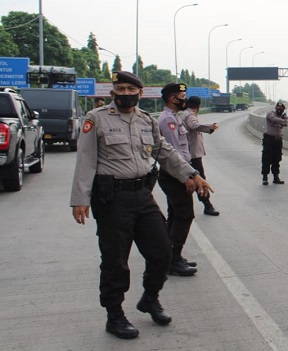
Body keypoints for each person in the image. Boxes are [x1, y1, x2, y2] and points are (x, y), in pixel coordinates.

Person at [70, 71, 214, 340]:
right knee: (115, 261)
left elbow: (164, 152)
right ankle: (115, 315)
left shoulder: (146, 120)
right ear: (113, 92)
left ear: (139, 92)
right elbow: (86, 159)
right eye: (120, 89)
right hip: (112, 199)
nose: (125, 93)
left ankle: (150, 298)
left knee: (162, 252)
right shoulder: (96, 119)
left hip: (143, 195)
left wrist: (191, 174)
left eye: (130, 89)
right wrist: (80, 199)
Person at [157, 83, 202, 277]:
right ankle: (172, 260)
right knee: (184, 215)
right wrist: (187, 177)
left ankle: (170, 257)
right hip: (175, 174)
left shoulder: (174, 117)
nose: (185, 99)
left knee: (175, 215)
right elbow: (174, 152)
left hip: (177, 173)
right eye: (182, 96)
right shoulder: (168, 120)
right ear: (172, 99)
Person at [179, 96, 220, 216]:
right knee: (200, 180)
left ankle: (205, 205)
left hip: (188, 153)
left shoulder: (183, 114)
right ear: (198, 106)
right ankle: (207, 205)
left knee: (189, 180)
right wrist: (209, 127)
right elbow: (194, 125)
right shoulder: (190, 115)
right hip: (192, 155)